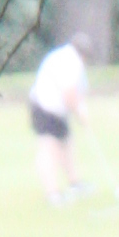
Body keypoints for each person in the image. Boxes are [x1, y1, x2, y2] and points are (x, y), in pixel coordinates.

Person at [27, 33, 89, 205]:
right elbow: (69, 94)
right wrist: (80, 115)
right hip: (44, 107)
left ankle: (74, 184)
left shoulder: (63, 55)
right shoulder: (72, 62)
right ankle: (53, 193)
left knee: (67, 143)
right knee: (49, 148)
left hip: (57, 110)